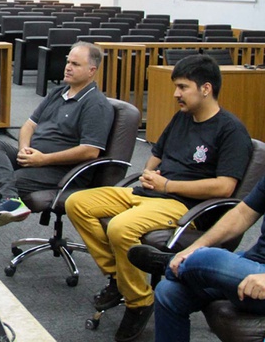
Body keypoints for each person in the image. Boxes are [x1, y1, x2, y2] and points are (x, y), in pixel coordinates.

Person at [65, 55, 253, 342]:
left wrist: (167, 184)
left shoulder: (231, 130)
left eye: (182, 87)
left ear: (205, 88)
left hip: (181, 205)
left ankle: (139, 302)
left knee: (119, 228)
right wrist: (148, 175)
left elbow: (225, 187)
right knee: (77, 203)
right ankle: (120, 278)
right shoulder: (182, 117)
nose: (176, 93)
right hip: (149, 191)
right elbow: (157, 154)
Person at [0, 42, 113, 261]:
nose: (67, 67)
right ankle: (10, 198)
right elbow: (28, 125)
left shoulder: (96, 105)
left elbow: (90, 151)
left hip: (62, 170)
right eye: (67, 61)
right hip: (35, 157)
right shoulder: (58, 92)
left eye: (75, 64)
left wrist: (43, 159)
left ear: (92, 70)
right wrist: (25, 149)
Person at [128, 176, 265, 342]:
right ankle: (182, 263)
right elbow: (242, 214)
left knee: (210, 258)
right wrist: (193, 248)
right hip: (253, 264)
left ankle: (169, 263)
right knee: (168, 292)